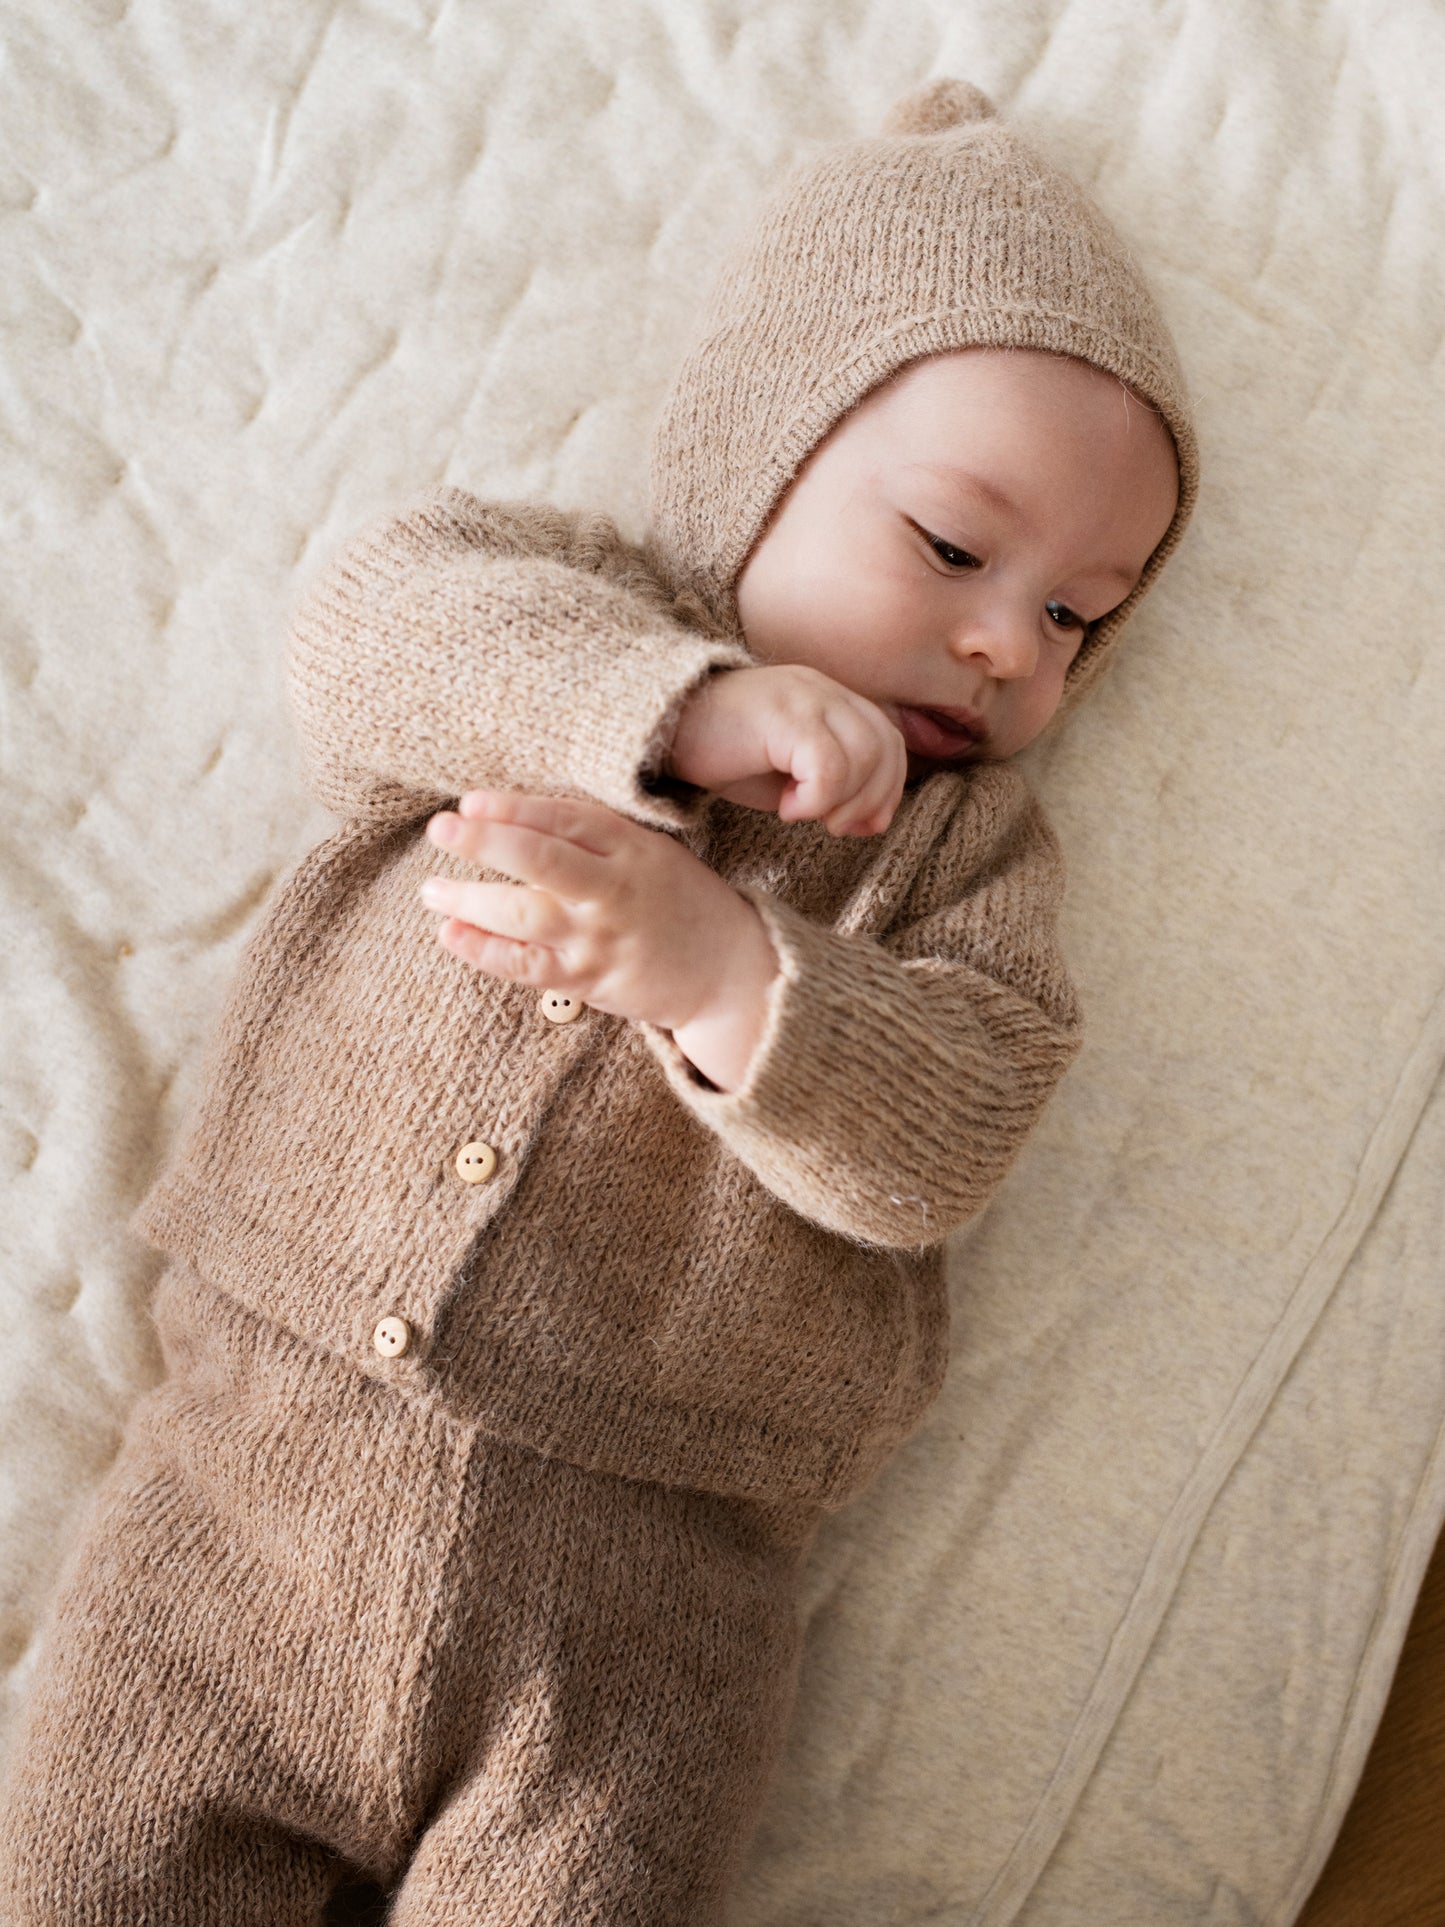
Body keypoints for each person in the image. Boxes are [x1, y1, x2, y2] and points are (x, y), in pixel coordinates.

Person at [0, 77, 1197, 1926]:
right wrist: (676, 708)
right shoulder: (549, 609)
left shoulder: (959, 858)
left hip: (642, 1611)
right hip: (240, 1512)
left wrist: (734, 970)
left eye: (1080, 618)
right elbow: (369, 629)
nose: (1005, 645)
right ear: (761, 453)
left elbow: (952, 1127)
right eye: (956, 552)